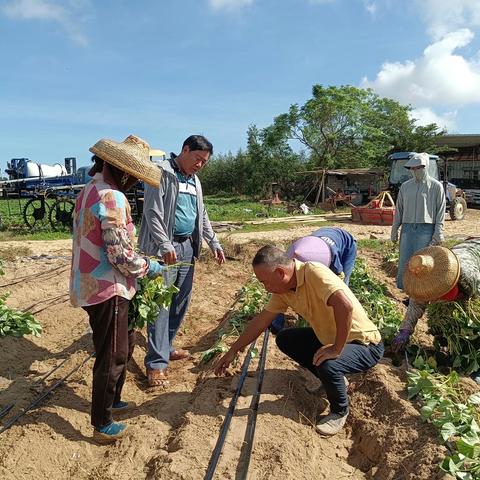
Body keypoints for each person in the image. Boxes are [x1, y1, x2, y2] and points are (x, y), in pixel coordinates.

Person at [214, 245, 383, 436]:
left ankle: (339, 411)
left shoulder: (313, 272)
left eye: (265, 282)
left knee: (329, 364)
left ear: (280, 273)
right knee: (286, 339)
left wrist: (336, 349)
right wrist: (233, 350)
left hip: (364, 343)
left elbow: (344, 305)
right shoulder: (284, 290)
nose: (265, 288)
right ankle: (334, 381)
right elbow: (261, 321)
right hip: (330, 339)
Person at [70, 135, 165, 444]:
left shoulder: (87, 191)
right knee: (113, 355)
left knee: (122, 341)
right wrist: (148, 267)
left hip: (89, 283)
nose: (134, 184)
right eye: (133, 177)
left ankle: (114, 400)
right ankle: (102, 422)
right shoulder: (112, 197)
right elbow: (119, 256)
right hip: (107, 287)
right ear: (121, 171)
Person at [138, 135, 225, 387]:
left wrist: (214, 241)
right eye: (198, 159)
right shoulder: (162, 173)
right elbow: (152, 212)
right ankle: (156, 363)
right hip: (165, 247)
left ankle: (166, 346)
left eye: (204, 162)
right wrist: (164, 243)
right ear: (185, 150)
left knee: (180, 301)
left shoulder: (194, 180)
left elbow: (202, 213)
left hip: (187, 246)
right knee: (160, 304)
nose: (200, 165)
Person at [391, 239, 480, 365]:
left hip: (475, 253)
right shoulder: (420, 281)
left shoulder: (469, 277)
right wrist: (405, 331)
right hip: (462, 251)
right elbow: (415, 306)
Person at [270, 227, 357, 334]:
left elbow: (337, 282)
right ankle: (276, 323)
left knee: (341, 291)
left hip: (346, 245)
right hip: (318, 241)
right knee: (283, 287)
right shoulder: (292, 254)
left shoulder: (333, 263)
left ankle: (335, 324)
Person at [390, 152, 446, 290]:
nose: (415, 171)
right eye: (412, 168)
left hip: (426, 229)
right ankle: (405, 289)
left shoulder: (436, 186)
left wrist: (438, 232)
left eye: (418, 167)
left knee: (422, 263)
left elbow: (440, 211)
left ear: (425, 166)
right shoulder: (405, 187)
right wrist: (394, 229)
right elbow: (399, 209)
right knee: (405, 261)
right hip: (408, 229)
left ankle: (420, 292)